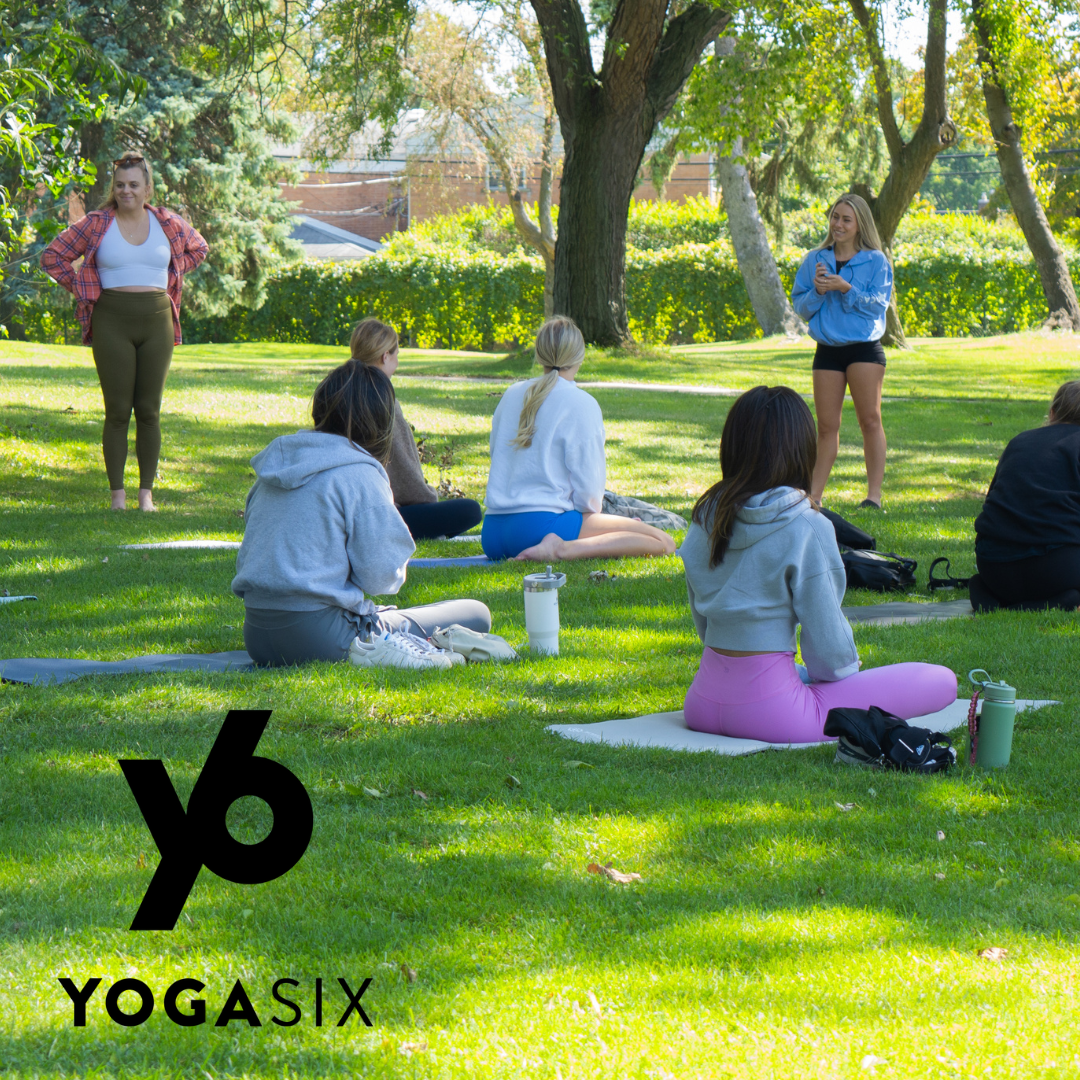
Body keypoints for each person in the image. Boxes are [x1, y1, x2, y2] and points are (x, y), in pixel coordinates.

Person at [680, 385, 956, 744]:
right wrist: (844, 674)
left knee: (793, 673)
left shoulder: (706, 517)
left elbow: (705, 624)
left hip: (701, 702)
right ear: (801, 449)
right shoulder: (806, 525)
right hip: (775, 715)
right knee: (942, 680)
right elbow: (829, 654)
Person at [232, 361, 492, 669]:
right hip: (325, 637)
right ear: (381, 421)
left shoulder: (275, 466)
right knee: (476, 614)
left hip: (258, 635)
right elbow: (382, 577)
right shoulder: (359, 472)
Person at [40, 153, 208, 511]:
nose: (126, 191)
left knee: (149, 410)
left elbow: (199, 248)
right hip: (111, 320)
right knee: (117, 410)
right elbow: (52, 256)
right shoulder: (97, 223)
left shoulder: (168, 223)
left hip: (157, 321)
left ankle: (146, 495)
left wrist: (173, 273)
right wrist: (83, 287)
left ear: (148, 187)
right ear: (113, 188)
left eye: (134, 184)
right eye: (120, 185)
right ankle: (118, 496)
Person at [482, 316, 677, 562]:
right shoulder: (582, 403)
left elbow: (498, 458)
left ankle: (559, 545)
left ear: (539, 354)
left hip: (493, 533)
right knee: (664, 541)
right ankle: (560, 549)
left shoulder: (511, 394)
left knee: (628, 529)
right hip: (542, 528)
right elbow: (589, 493)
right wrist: (602, 522)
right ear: (580, 356)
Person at [791, 193, 893, 510]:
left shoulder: (876, 261)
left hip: (864, 350)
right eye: (835, 217)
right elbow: (801, 307)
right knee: (825, 427)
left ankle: (873, 496)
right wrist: (819, 292)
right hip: (827, 351)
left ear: (859, 224)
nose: (838, 224)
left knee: (870, 421)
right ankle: (814, 497)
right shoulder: (815, 260)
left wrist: (847, 289)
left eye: (846, 219)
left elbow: (877, 307)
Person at [349, 317, 483, 540]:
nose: (397, 362)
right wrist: (429, 498)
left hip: (340, 507)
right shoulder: (383, 399)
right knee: (470, 510)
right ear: (385, 356)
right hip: (378, 515)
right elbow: (406, 479)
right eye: (396, 355)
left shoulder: (339, 389)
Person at [969, 379, 1080, 612]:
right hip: (1059, 566)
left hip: (993, 565)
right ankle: (1060, 601)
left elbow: (994, 500)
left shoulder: (1019, 441)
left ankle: (988, 592)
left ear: (1052, 413)